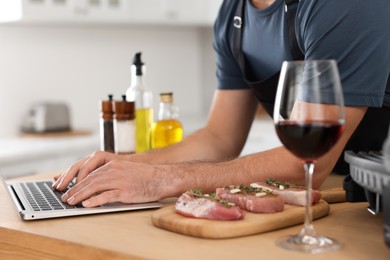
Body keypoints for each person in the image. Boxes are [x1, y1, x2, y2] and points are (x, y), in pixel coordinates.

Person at [54, 0, 390, 208]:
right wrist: (128, 166)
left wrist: (159, 179)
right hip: (342, 192)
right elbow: (219, 137)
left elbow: (307, 162)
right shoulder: (233, 15)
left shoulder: (343, 4)